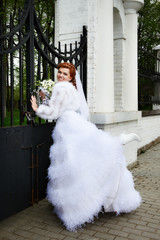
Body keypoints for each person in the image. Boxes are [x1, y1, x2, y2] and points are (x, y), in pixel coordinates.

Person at [30, 62, 141, 231]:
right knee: (87, 157)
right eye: (59, 72)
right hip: (75, 123)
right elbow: (62, 107)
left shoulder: (61, 88)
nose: (60, 75)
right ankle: (120, 140)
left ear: (71, 77)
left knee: (73, 165)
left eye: (65, 74)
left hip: (67, 127)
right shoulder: (71, 89)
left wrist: (37, 108)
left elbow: (53, 113)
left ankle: (74, 208)